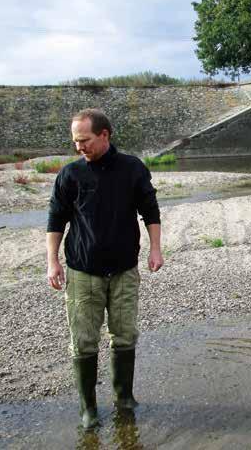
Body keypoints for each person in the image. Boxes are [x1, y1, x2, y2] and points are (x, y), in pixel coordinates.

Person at [46, 108, 163, 429]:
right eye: (75, 141)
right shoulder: (70, 175)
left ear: (104, 135)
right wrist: (52, 261)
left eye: (84, 140)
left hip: (125, 270)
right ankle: (88, 408)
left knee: (124, 336)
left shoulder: (132, 168)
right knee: (83, 341)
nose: (78, 147)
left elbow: (150, 210)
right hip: (83, 272)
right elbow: (56, 220)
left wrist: (155, 248)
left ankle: (124, 398)